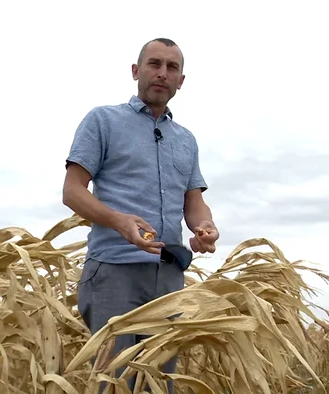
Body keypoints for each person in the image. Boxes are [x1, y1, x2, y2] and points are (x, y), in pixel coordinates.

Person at [62, 38, 219, 392]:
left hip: (168, 279)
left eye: (172, 68)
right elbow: (72, 192)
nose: (162, 73)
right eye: (154, 64)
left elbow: (193, 203)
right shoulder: (103, 121)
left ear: (181, 81)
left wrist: (204, 226)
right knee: (113, 384)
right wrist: (119, 221)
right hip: (114, 271)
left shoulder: (186, 140)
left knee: (158, 384)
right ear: (136, 71)